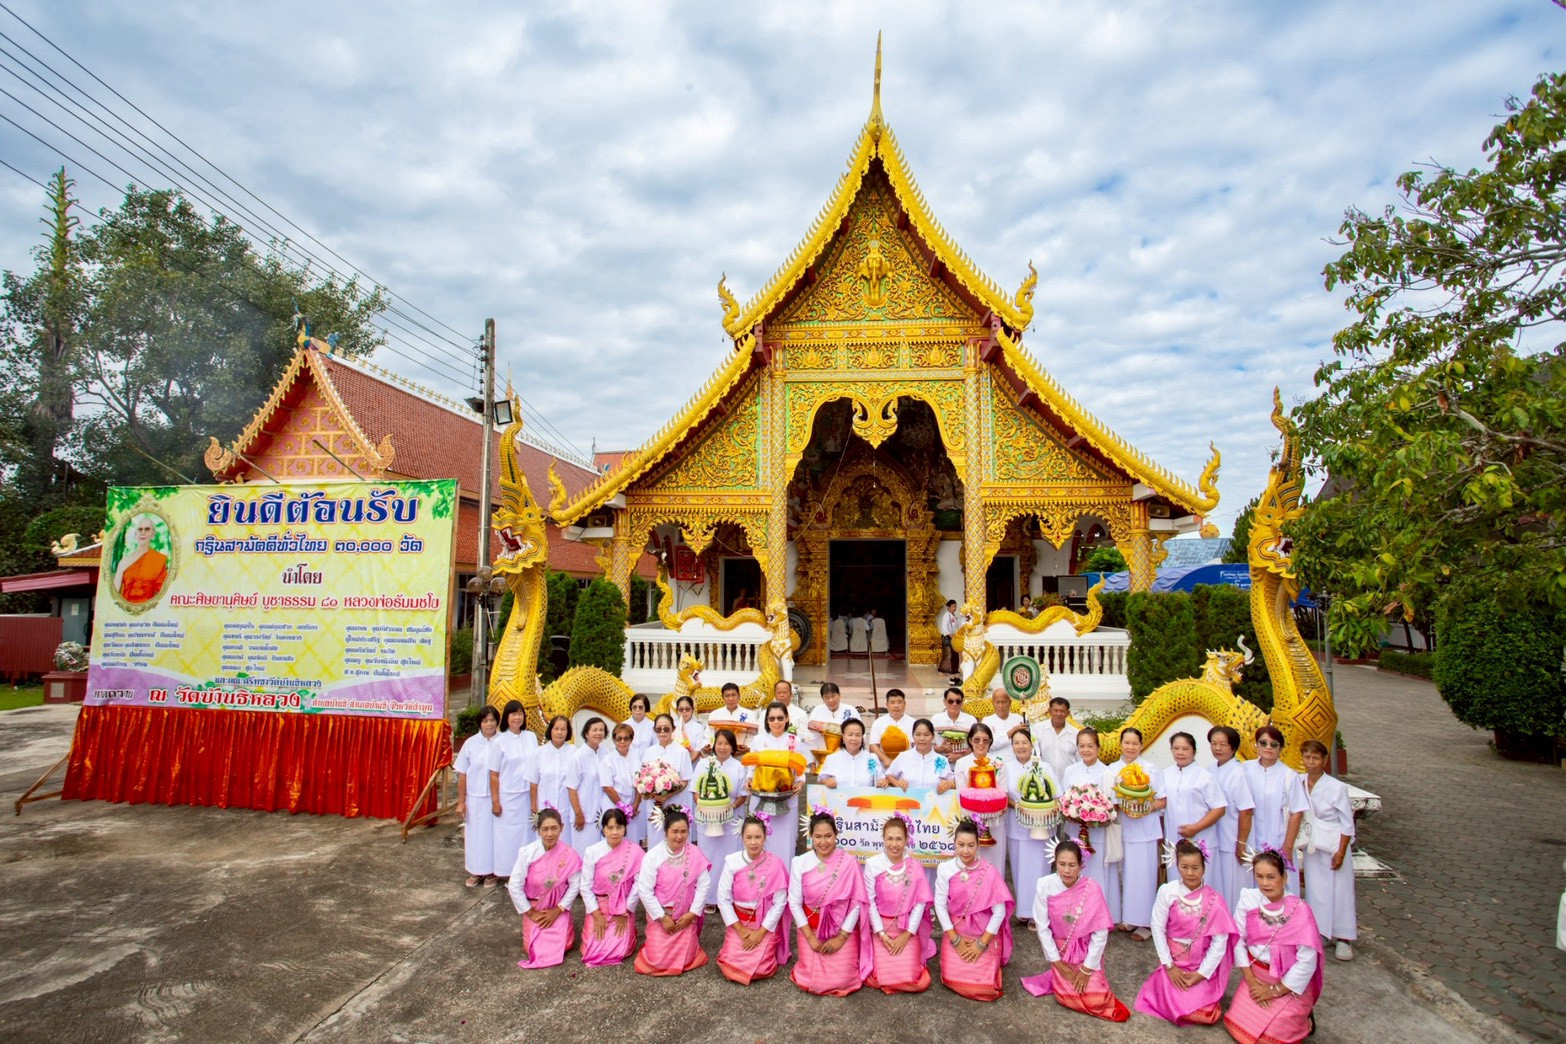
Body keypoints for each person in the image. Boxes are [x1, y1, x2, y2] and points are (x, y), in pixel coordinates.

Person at [1020, 839, 1131, 1022]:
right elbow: (1042, 926)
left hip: (1087, 953)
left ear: (1081, 865)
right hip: (1060, 952)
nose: (1067, 870)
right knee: (1066, 998)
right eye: (1062, 864)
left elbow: (1100, 932)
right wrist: (1057, 962)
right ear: (1054, 863)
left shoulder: (1092, 889)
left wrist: (1087, 969)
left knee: (1097, 1000)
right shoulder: (1044, 885)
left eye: (1072, 865)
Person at [1135, 838, 1238, 1026]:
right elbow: (1157, 928)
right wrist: (1169, 966)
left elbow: (1219, 941)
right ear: (1177, 866)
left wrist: (1202, 973)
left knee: (1207, 1014)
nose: (1190, 873)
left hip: (1201, 964)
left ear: (1204, 868)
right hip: (1174, 961)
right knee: (1175, 1004)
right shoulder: (1167, 891)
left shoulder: (1214, 899)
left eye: (1195, 868)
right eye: (1184, 867)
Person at [1225, 849, 1324, 1043]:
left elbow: (1307, 962)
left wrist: (1274, 991)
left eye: (1271, 877)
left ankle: (1304, 1015)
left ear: (1284, 877)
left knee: (1273, 1037)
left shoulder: (1299, 910)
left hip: (1287, 982)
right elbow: (1237, 941)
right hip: (1257, 977)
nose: (1264, 883)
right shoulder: (1249, 899)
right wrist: (1252, 982)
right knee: (1236, 1027)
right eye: (1259, 876)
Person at [789, 811, 872, 996]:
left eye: (828, 836)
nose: (823, 842)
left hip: (841, 929)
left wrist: (841, 937)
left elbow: (856, 903)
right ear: (810, 837)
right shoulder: (800, 862)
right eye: (818, 836)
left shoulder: (849, 863)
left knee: (843, 980)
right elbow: (794, 903)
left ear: (836, 835)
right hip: (811, 929)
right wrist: (810, 937)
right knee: (810, 980)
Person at [935, 818, 1015, 1001]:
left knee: (985, 987)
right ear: (954, 843)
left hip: (983, 932)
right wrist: (955, 939)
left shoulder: (989, 871)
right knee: (950, 978)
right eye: (961, 844)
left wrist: (981, 944)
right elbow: (939, 905)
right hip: (957, 930)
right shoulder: (945, 869)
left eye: (971, 845)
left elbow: (999, 912)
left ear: (978, 845)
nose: (965, 850)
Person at [633, 806, 712, 976]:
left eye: (684, 831)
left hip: (685, 918)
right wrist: (662, 917)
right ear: (665, 832)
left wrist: (692, 913)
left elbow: (704, 884)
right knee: (658, 961)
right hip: (661, 918)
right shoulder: (653, 856)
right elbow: (645, 890)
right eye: (674, 831)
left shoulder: (695, 854)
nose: (679, 836)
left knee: (687, 959)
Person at [716, 815, 792, 985]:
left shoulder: (776, 864)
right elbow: (723, 898)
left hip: (764, 924)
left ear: (765, 837)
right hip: (739, 923)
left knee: (762, 969)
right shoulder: (732, 861)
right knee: (729, 966)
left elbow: (780, 902)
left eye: (758, 837)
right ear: (742, 837)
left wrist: (761, 932)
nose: (753, 842)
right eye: (748, 837)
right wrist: (740, 930)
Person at [1300, 739, 1358, 962]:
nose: (1311, 762)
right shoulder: (1299, 782)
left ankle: (1344, 937)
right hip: (1312, 845)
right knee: (1317, 891)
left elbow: (1346, 822)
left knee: (1340, 891)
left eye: (1316, 758)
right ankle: (1322, 932)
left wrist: (1342, 851)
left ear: (1324, 760)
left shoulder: (1336, 787)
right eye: (1307, 757)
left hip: (1334, 844)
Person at [864, 814, 935, 993]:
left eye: (898, 839)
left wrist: (908, 934)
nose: (894, 844)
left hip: (906, 929)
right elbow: (870, 902)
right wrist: (881, 933)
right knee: (881, 977)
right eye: (889, 838)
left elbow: (920, 903)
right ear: (883, 838)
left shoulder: (914, 866)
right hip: (881, 929)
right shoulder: (873, 864)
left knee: (912, 978)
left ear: (906, 840)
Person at [507, 807, 583, 969]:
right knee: (532, 948)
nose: (550, 834)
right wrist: (530, 912)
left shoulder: (569, 854)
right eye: (545, 829)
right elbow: (514, 885)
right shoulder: (527, 853)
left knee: (565, 945)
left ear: (561, 828)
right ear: (538, 830)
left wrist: (559, 909)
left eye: (554, 828)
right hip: (535, 909)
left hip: (558, 909)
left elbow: (575, 885)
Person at [1111, 726, 1167, 940]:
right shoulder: (1113, 770)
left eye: (1135, 743)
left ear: (1142, 745)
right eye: (1127, 743)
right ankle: (1130, 918)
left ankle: (1147, 923)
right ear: (1121, 744)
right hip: (1123, 828)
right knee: (1125, 874)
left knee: (1145, 875)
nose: (1131, 747)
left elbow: (1162, 799)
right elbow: (1111, 801)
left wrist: (1146, 807)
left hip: (1145, 830)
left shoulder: (1151, 769)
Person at [1003, 727, 1056, 923]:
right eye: (1016, 743)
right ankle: (1024, 912)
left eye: (1024, 742)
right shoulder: (1006, 768)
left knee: (1040, 869)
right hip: (1017, 825)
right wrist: (1017, 805)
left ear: (1032, 745)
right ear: (1012, 746)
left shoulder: (1044, 767)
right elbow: (1004, 795)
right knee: (1018, 869)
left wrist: (1043, 808)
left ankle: (1039, 915)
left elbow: (1056, 795)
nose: (1021, 746)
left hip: (1041, 827)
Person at [1061, 727, 1117, 915]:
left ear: (1098, 748)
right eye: (1082, 746)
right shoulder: (1070, 770)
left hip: (1098, 833)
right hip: (1073, 830)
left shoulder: (1106, 773)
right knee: (1074, 870)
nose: (1086, 750)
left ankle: (1098, 913)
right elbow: (1064, 798)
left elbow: (1112, 805)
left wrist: (1096, 816)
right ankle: (1075, 911)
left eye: (1090, 746)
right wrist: (1071, 811)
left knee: (1097, 873)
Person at [580, 807, 644, 967]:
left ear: (625, 828)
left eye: (619, 827)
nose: (614, 832)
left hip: (623, 909)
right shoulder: (592, 852)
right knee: (591, 949)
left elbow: (639, 884)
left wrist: (626, 911)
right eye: (610, 827)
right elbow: (585, 886)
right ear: (603, 829)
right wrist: (597, 915)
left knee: (623, 950)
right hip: (599, 908)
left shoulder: (635, 852)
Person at [489, 700, 538, 882]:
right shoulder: (499, 742)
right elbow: (494, 774)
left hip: (528, 796)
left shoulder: (531, 737)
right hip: (508, 797)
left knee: (528, 835)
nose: (517, 717)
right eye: (513, 714)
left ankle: (528, 873)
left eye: (520, 714)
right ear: (506, 718)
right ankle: (509, 873)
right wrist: (496, 801)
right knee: (508, 837)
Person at [1208, 725, 1257, 911]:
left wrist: (1241, 843)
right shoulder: (1210, 769)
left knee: (1236, 890)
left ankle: (1239, 933)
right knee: (1219, 889)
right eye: (1214, 743)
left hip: (1233, 840)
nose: (1218, 748)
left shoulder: (1238, 773)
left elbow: (1246, 811)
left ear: (1233, 747)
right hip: (1215, 839)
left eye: (1223, 744)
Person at [750, 702, 805, 865]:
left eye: (780, 718)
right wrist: (748, 779)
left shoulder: (795, 741)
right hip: (761, 797)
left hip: (787, 798)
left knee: (786, 843)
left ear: (787, 719)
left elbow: (801, 771)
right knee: (760, 840)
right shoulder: (758, 740)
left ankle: (785, 884)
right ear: (767, 720)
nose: (776, 722)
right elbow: (751, 769)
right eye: (772, 718)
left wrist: (800, 783)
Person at [691, 729, 748, 882]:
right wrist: (706, 807)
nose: (722, 747)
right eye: (719, 743)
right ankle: (708, 898)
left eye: (727, 744)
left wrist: (731, 807)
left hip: (731, 820)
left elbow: (743, 795)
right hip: (707, 820)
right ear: (714, 745)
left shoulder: (739, 766)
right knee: (708, 858)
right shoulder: (704, 764)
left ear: (733, 747)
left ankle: (728, 897)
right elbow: (695, 791)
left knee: (730, 859)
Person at [455, 705, 500, 888]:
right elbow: (462, 773)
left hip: (495, 798)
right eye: (485, 720)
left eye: (492, 720)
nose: (489, 724)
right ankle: (475, 871)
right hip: (474, 798)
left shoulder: (503, 741)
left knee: (493, 836)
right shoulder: (471, 743)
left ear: (497, 721)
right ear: (480, 723)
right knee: (475, 836)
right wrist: (461, 802)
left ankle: (492, 872)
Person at [954, 722, 1008, 873]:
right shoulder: (962, 763)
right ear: (970, 740)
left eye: (985, 740)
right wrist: (976, 814)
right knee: (972, 866)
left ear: (991, 741)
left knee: (995, 867)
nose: (981, 743)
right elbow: (961, 794)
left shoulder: (998, 762)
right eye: (977, 739)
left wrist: (993, 809)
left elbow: (1003, 792)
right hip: (971, 824)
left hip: (995, 821)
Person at [1162, 732, 1226, 856]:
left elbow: (1219, 809)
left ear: (1194, 751)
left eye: (1185, 749)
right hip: (1173, 840)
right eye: (1176, 748)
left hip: (1201, 839)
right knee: (1176, 874)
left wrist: (1196, 828)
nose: (1180, 753)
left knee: (1202, 874)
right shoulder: (1165, 774)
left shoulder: (1205, 776)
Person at [530, 715, 585, 851]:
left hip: (566, 808)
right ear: (551, 730)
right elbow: (533, 783)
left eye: (563, 729)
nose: (559, 732)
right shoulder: (539, 753)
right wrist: (533, 806)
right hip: (544, 808)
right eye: (556, 729)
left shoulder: (574, 752)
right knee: (545, 845)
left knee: (564, 846)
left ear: (568, 732)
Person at [641, 713, 694, 848]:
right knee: (656, 843)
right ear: (655, 730)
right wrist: (650, 793)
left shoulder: (682, 752)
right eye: (659, 729)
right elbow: (643, 779)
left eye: (666, 728)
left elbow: (685, 781)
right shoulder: (649, 752)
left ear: (673, 729)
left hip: (674, 804)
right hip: (654, 805)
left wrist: (667, 796)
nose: (662, 732)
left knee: (675, 841)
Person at [571, 717, 611, 860]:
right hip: (585, 814)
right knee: (584, 854)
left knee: (602, 854)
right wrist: (578, 814)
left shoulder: (605, 753)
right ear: (586, 733)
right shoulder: (578, 756)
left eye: (601, 730)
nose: (598, 733)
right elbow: (571, 788)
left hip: (603, 812)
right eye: (594, 730)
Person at [600, 722, 645, 847]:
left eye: (626, 738)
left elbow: (640, 783)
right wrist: (623, 808)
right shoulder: (608, 760)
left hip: (632, 808)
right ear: (614, 740)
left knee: (631, 842)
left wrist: (635, 805)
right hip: (613, 806)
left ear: (631, 740)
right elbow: (607, 787)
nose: (622, 742)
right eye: (619, 738)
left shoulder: (635, 757)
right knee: (614, 840)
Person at [114, 514, 169, 604]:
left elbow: (163, 593)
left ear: (153, 534)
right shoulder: (124, 562)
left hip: (148, 611)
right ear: (136, 534)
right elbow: (114, 592)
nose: (143, 532)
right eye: (140, 529)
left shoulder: (158, 560)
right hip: (125, 611)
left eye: (147, 529)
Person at [818, 718, 879, 789]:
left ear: (862, 737)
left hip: (865, 799)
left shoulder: (872, 758)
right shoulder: (832, 758)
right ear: (843, 737)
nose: (854, 738)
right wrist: (827, 781)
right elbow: (821, 780)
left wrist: (883, 782)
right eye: (850, 735)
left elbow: (880, 780)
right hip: (838, 799)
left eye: (858, 735)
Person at [806, 681, 856, 764]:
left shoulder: (851, 710)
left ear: (839, 695)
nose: (831, 700)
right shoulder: (817, 711)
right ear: (822, 698)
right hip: (823, 758)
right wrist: (812, 761)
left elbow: (860, 733)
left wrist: (826, 728)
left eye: (833, 696)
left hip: (846, 756)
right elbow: (811, 737)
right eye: (827, 697)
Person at [1035, 696, 1081, 781]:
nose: (1058, 714)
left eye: (1062, 711)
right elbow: (1035, 755)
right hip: (1045, 780)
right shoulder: (1037, 729)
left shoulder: (1076, 733)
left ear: (1068, 713)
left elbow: (1080, 760)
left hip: (1069, 781)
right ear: (1049, 711)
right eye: (1055, 710)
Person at [867, 688, 914, 762]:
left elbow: (916, 745)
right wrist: (885, 760)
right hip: (885, 765)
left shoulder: (913, 723)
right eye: (892, 702)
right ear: (887, 705)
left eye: (899, 702)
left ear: (904, 704)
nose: (896, 706)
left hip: (908, 764)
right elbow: (873, 746)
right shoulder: (878, 722)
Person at [706, 681, 756, 747]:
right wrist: (710, 746)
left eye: (733, 695)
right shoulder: (714, 714)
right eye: (727, 696)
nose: (731, 699)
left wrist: (746, 747)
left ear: (739, 696)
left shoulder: (749, 714)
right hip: (720, 752)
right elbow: (709, 735)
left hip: (741, 754)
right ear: (723, 697)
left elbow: (751, 736)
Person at [934, 687, 978, 757]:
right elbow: (929, 744)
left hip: (963, 764)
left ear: (962, 703)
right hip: (940, 763)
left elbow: (976, 745)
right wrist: (939, 749)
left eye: (958, 701)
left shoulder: (971, 720)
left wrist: (959, 756)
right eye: (951, 701)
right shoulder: (935, 719)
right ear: (944, 702)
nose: (954, 704)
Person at [674, 695, 709, 759]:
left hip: (692, 764)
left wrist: (688, 764)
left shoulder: (699, 727)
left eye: (687, 709)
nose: (684, 712)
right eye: (681, 709)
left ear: (692, 709)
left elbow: (698, 749)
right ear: (677, 710)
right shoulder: (672, 726)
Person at [624, 694, 655, 762]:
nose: (637, 710)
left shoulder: (653, 726)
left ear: (646, 708)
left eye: (640, 707)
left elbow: (656, 747)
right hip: (627, 764)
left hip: (647, 766)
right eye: (634, 707)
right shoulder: (623, 725)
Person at [937, 599, 963, 674]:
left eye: (955, 606)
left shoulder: (954, 616)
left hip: (954, 637)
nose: (955, 608)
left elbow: (957, 626)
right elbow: (944, 626)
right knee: (949, 654)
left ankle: (954, 669)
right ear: (948, 607)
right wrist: (949, 634)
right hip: (947, 637)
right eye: (953, 606)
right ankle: (945, 669)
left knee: (955, 653)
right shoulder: (946, 615)